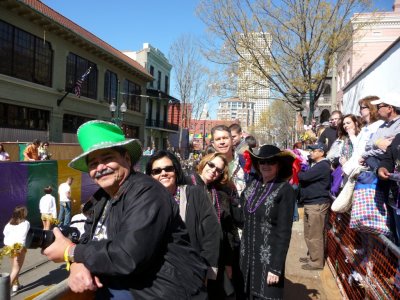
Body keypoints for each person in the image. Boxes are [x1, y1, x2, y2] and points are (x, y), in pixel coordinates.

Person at [43, 120, 207, 299]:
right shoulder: (100, 199)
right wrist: (76, 262)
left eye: (107, 159)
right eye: (93, 164)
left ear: (127, 159)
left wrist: (71, 252)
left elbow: (127, 256)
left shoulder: (148, 192)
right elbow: (88, 240)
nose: (100, 168)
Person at [146, 150, 220, 284]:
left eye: (168, 169)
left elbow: (212, 232)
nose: (163, 173)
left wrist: (206, 270)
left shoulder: (196, 194)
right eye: (157, 171)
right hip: (158, 277)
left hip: (192, 271)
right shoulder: (146, 201)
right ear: (151, 176)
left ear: (176, 171)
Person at [233, 145, 296, 299]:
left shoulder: (285, 190)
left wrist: (276, 268)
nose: (266, 166)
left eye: (271, 162)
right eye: (262, 162)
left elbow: (284, 232)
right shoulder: (252, 185)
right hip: (246, 256)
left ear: (278, 165)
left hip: (268, 259)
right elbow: (241, 217)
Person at [188, 152, 239, 299]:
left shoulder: (218, 193)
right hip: (193, 256)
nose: (213, 171)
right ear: (204, 163)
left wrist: (228, 262)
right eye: (211, 165)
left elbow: (228, 228)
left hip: (217, 256)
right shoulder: (185, 184)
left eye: (218, 170)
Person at [298, 142, 331, 270]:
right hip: (311, 202)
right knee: (309, 232)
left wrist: (299, 171)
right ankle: (313, 256)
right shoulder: (317, 164)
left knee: (315, 234)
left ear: (321, 153)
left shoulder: (323, 165)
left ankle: (316, 262)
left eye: (313, 151)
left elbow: (304, 177)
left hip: (317, 203)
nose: (311, 152)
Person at [341, 96, 384, 176]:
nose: (359, 110)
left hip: (367, 171)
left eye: (362, 108)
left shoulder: (379, 126)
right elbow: (357, 148)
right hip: (353, 170)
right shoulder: (365, 128)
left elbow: (369, 149)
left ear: (371, 108)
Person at [360, 93, 400, 171]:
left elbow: (387, 149)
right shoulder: (382, 126)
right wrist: (378, 143)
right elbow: (368, 145)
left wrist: (365, 155)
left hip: (390, 170)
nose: (377, 109)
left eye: (379, 106)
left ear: (389, 108)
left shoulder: (398, 125)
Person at [2, 205, 30, 296]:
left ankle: (15, 285)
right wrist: (19, 248)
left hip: (9, 247)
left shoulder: (9, 223)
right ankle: (4, 290)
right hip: (19, 247)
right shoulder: (25, 223)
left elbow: (4, 233)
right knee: (16, 268)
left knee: (14, 267)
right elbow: (23, 236)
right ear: (24, 213)